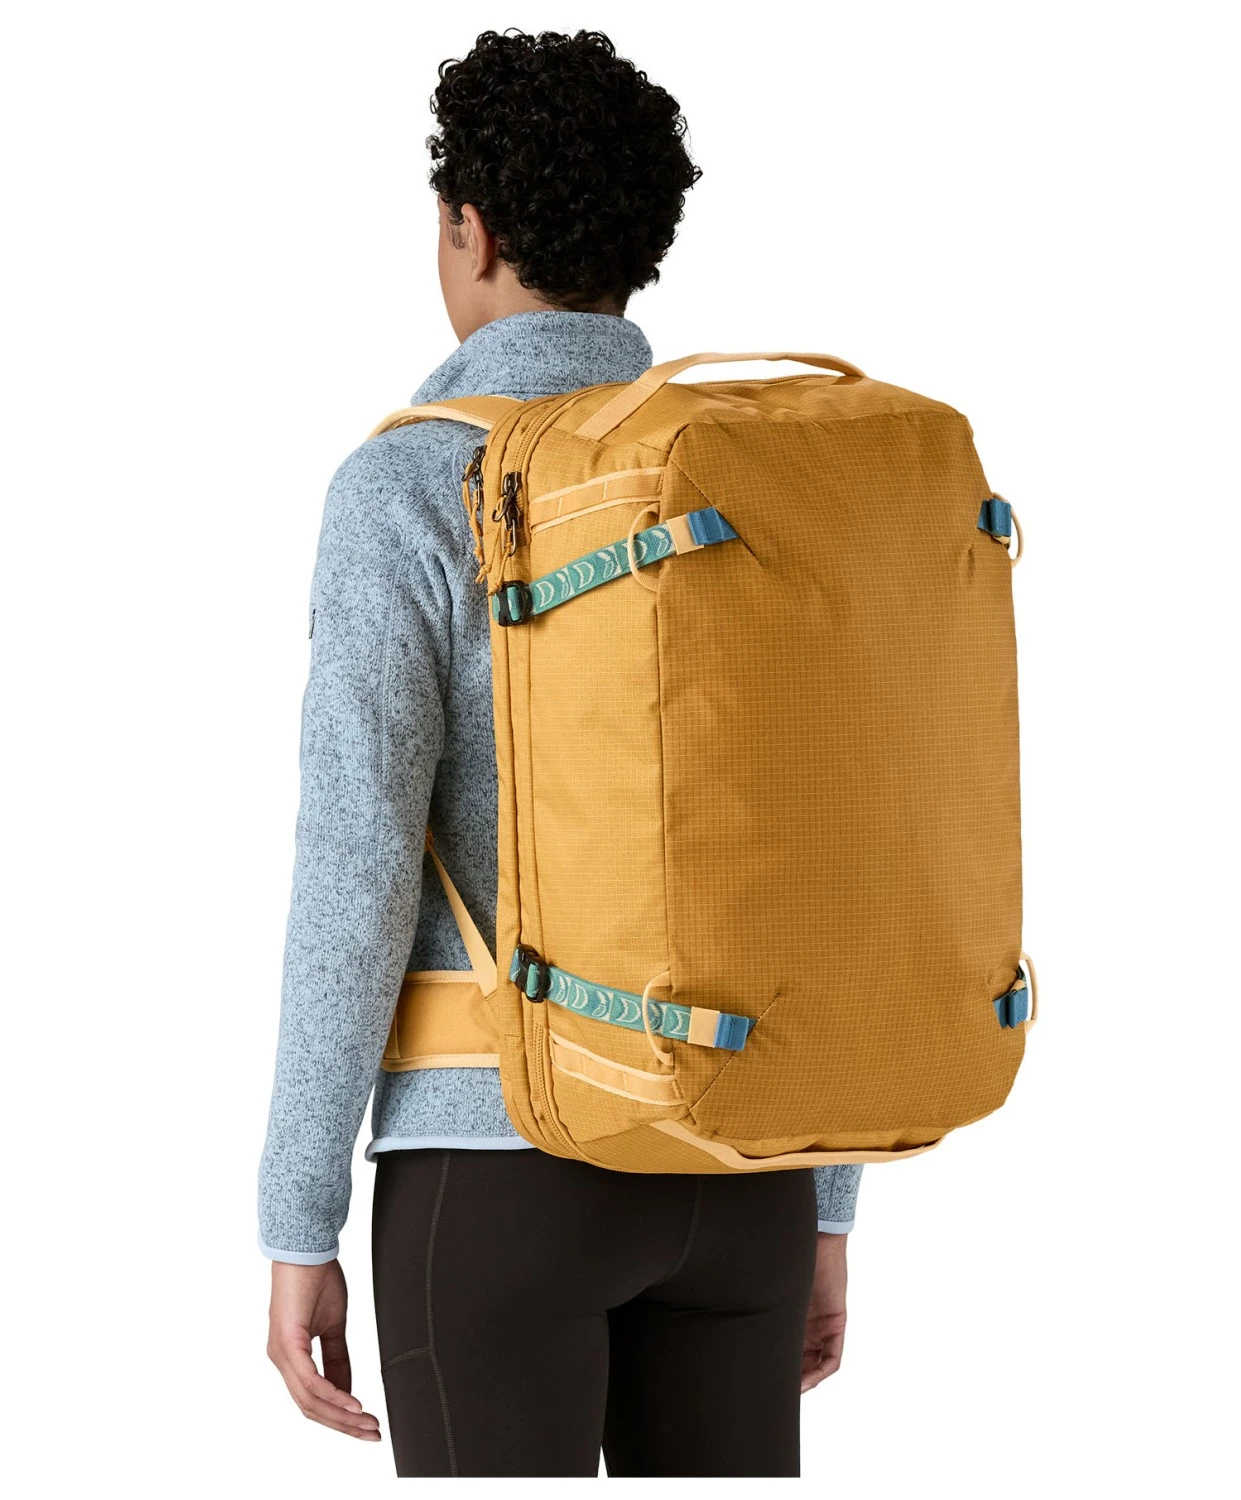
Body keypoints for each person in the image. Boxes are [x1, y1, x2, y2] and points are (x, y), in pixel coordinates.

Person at [258, 29, 863, 1478]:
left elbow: (354, 875)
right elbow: (828, 835)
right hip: (744, 1165)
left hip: (494, 1177)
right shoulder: (755, 471)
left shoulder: (407, 484)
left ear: (468, 231)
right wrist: (828, 1203)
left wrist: (297, 1218)